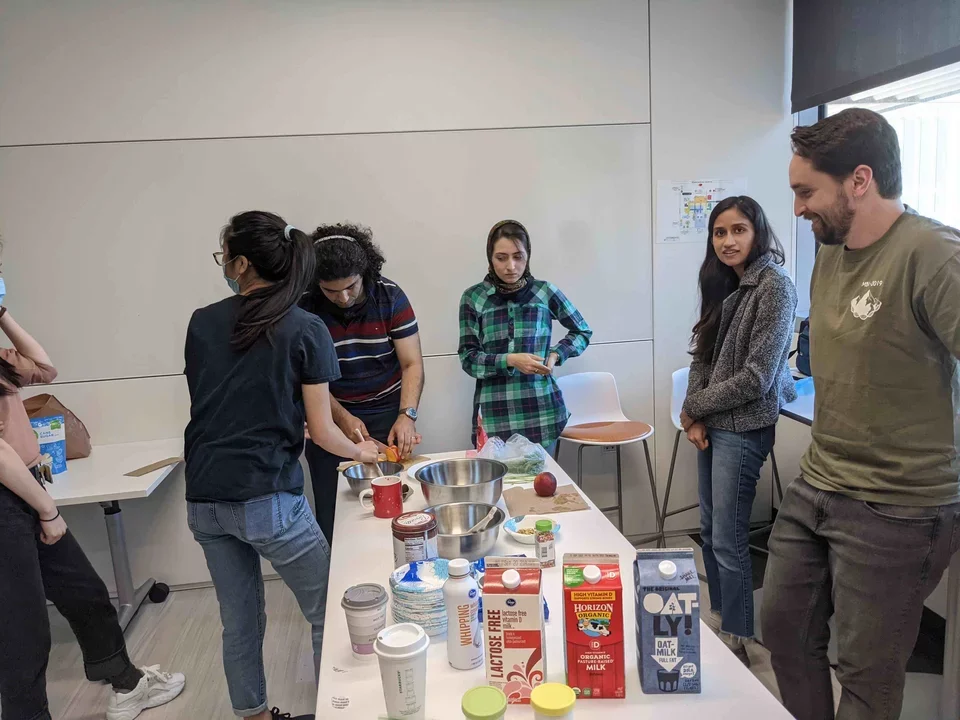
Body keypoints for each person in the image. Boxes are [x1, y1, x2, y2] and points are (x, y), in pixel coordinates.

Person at [763, 108, 960, 720]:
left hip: (900, 505)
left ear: (859, 180)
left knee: (865, 674)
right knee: (784, 633)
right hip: (820, 483)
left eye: (805, 192)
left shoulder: (933, 254)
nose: (796, 209)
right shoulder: (830, 251)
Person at [184, 211, 378, 720]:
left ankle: (252, 715)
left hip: (204, 498)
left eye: (222, 255)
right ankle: (337, 711)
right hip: (268, 498)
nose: (223, 264)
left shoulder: (202, 321)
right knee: (331, 614)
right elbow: (323, 431)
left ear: (242, 264)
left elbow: (213, 406)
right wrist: (365, 452)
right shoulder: (306, 328)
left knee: (240, 621)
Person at [0, 301, 184, 720]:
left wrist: (2, 314)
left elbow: (44, 369)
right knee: (22, 632)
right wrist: (47, 509)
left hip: (25, 491)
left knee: (85, 593)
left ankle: (127, 683)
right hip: (11, 499)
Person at [678, 196, 797, 666]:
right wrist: (696, 414)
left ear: (758, 232)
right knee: (711, 532)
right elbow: (702, 355)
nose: (728, 240)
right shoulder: (725, 282)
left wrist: (693, 409)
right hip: (714, 423)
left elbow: (756, 377)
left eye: (739, 230)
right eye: (720, 232)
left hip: (745, 427)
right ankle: (723, 619)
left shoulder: (775, 286)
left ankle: (739, 638)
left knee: (729, 537)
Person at [300, 223, 424, 543]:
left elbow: (412, 364)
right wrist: (341, 419)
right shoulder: (304, 306)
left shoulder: (390, 295)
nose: (342, 297)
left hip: (387, 412)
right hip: (326, 414)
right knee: (336, 509)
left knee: (398, 502)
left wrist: (406, 416)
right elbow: (303, 378)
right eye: (331, 290)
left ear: (364, 272)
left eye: (351, 287)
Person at [458, 220, 592, 452]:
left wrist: (555, 355)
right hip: (494, 414)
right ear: (490, 257)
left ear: (528, 255)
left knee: (542, 486)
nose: (511, 266)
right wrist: (510, 360)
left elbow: (582, 331)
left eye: (518, 256)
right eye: (501, 258)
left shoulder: (544, 292)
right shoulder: (474, 298)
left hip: (541, 414)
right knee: (498, 488)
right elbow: (468, 358)